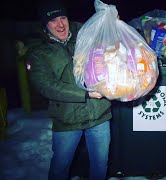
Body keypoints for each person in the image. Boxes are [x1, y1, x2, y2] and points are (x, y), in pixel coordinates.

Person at [26, 1, 112, 180]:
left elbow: (110, 47)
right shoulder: (38, 51)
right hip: (67, 120)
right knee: (60, 168)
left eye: (63, 18)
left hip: (99, 115)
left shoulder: (86, 34)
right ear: (44, 25)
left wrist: (111, 23)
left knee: (100, 165)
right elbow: (46, 86)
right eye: (53, 20)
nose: (60, 24)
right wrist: (85, 93)